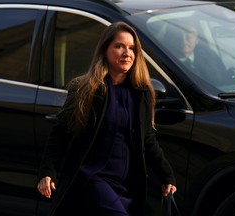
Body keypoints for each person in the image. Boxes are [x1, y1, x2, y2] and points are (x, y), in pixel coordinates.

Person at [37, 21, 177, 216]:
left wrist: (166, 175)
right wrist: (47, 172)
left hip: (126, 183)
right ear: (105, 50)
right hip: (94, 178)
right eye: (119, 46)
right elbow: (60, 134)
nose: (127, 53)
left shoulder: (142, 93)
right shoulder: (86, 89)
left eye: (131, 48)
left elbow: (147, 139)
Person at [170, 21, 232, 85]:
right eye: (178, 36)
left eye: (189, 36)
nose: (183, 40)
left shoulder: (210, 57)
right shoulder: (167, 63)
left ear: (197, 40)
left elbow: (226, 82)